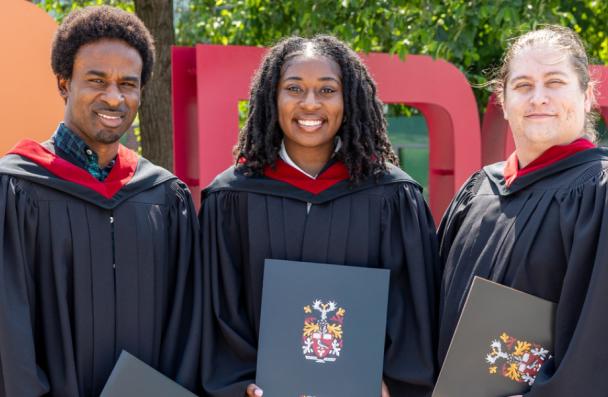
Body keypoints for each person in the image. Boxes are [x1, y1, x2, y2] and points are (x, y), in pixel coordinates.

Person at [199, 35, 438, 397]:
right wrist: (243, 384)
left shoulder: (392, 195)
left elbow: (412, 308)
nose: (310, 103)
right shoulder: (232, 197)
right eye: (294, 88)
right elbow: (219, 310)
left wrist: (389, 382)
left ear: (348, 99)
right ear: (272, 97)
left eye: (327, 90)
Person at [0, 6, 201, 396]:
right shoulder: (18, 190)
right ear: (64, 83)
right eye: (96, 80)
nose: (114, 97)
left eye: (128, 83)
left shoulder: (162, 197)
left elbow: (186, 327)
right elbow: (8, 335)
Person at [438, 25, 608, 395]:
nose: (538, 98)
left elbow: (598, 340)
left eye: (555, 82)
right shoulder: (479, 192)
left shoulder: (600, 194)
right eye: (523, 85)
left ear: (586, 95)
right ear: (503, 98)